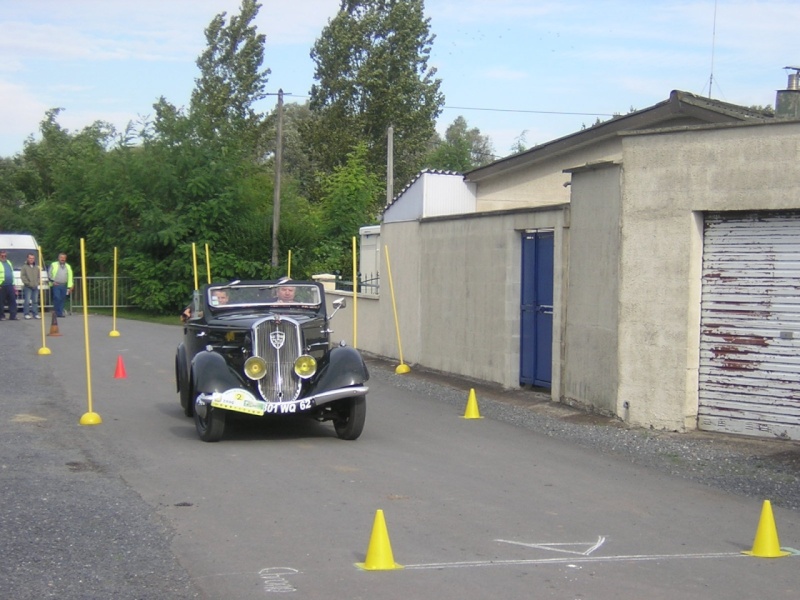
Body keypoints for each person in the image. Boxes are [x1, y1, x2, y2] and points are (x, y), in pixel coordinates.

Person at [48, 252, 74, 318]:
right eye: (61, 257)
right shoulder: (53, 264)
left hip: (64, 285)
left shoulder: (68, 266)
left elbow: (70, 276)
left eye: (64, 258)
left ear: (65, 259)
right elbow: (49, 274)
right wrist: (52, 281)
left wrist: (70, 285)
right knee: (57, 298)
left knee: (62, 299)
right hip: (56, 284)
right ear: (58, 258)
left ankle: (60, 312)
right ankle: (57, 312)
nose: (62, 259)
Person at [20, 253, 41, 319]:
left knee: (35, 301)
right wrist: (28, 283)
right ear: (27, 259)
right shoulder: (24, 267)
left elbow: (39, 276)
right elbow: (23, 276)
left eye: (33, 258)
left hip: (35, 286)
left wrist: (37, 282)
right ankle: (26, 314)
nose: (31, 259)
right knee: (27, 300)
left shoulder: (36, 267)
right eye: (30, 258)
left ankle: (35, 314)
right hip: (27, 287)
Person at [0, 249, 17, 320]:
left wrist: (14, 284)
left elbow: (11, 273)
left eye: (5, 255)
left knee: (12, 301)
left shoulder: (9, 262)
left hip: (10, 284)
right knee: (1, 301)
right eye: (2, 255)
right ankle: (1, 316)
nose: (4, 256)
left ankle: (13, 316)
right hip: (2, 285)